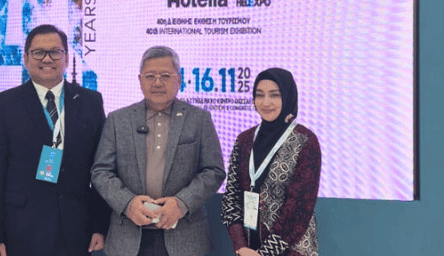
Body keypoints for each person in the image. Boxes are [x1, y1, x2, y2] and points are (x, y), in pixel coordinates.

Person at [0, 24, 110, 256]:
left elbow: (102, 169)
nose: (47, 59)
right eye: (39, 52)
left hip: (76, 231)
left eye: (55, 52)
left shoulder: (91, 102)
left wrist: (101, 225)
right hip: (21, 231)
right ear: (26, 59)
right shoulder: (5, 105)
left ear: (66, 58)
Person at [91, 46, 225, 256]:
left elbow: (214, 171)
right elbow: (101, 172)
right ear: (140, 80)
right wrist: (127, 204)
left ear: (179, 80)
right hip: (128, 238)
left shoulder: (199, 119)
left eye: (165, 76)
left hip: (185, 237)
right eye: (150, 76)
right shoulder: (118, 120)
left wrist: (182, 204)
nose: (157, 83)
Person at [221, 68, 321, 256]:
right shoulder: (244, 140)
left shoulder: (305, 141)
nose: (265, 102)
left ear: (288, 97)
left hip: (291, 250)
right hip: (248, 248)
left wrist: (264, 253)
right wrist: (240, 246)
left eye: (274, 95)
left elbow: (299, 210)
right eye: (260, 95)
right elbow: (231, 199)